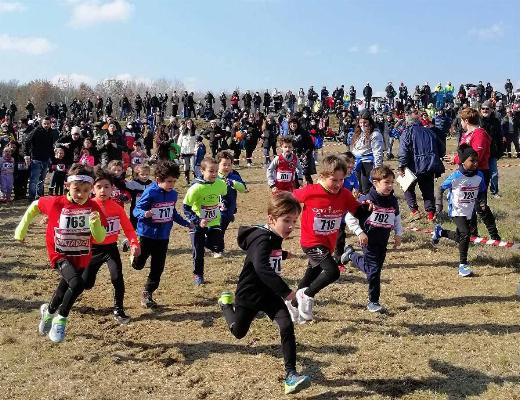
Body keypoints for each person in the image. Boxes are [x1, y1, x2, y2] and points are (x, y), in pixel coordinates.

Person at [217, 192, 310, 395]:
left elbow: (266, 256)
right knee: (238, 333)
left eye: (294, 221)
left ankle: (291, 375)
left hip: (268, 295)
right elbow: (261, 267)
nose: (291, 226)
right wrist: (287, 293)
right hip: (249, 295)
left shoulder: (272, 236)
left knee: (286, 325)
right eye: (286, 220)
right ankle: (225, 305)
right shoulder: (262, 238)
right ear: (271, 219)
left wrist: (283, 254)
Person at [13, 164, 106, 343]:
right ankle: (61, 319)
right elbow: (34, 206)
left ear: (91, 189)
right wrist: (21, 230)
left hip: (81, 256)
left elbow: (100, 237)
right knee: (77, 284)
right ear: (68, 186)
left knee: (64, 288)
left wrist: (95, 224)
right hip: (59, 254)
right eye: (76, 189)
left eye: (86, 190)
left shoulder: (94, 207)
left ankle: (48, 312)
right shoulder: (56, 202)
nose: (81, 194)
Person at [291, 155, 370, 322]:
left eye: (342, 180)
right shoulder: (311, 191)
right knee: (333, 272)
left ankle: (293, 306)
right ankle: (307, 295)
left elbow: (358, 212)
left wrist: (367, 208)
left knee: (310, 277)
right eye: (334, 180)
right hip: (311, 242)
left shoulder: (345, 195)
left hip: (328, 244)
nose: (338, 184)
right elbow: (290, 198)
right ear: (322, 177)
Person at [82, 167, 140, 324]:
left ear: (112, 188)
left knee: (117, 277)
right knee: (86, 283)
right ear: (92, 189)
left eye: (106, 186)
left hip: (110, 248)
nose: (103, 190)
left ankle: (118, 309)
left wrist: (134, 243)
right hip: (93, 249)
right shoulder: (87, 206)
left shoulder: (116, 208)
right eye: (99, 187)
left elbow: (128, 228)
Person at [341, 166, 403, 313]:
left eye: (392, 182)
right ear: (375, 183)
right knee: (374, 271)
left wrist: (398, 234)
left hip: (383, 241)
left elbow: (396, 218)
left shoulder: (393, 200)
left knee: (373, 269)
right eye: (386, 182)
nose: (390, 186)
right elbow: (349, 217)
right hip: (368, 241)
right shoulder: (367, 200)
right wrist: (360, 232)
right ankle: (373, 302)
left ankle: (351, 255)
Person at [131, 161, 191, 308]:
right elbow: (136, 210)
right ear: (158, 179)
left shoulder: (173, 194)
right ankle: (133, 255)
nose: (172, 184)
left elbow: (173, 213)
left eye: (174, 181)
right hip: (146, 234)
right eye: (169, 181)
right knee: (138, 265)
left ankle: (147, 293)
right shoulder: (150, 192)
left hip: (163, 236)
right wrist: (145, 213)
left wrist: (187, 223)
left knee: (158, 267)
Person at [433, 144, 486, 277]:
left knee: (462, 237)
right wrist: (439, 205)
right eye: (472, 161)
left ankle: (441, 232)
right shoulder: (456, 176)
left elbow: (482, 191)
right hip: (456, 210)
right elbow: (440, 188)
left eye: (477, 160)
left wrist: (482, 202)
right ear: (463, 161)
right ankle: (463, 265)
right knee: (466, 233)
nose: (475, 163)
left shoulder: (479, 175)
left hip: (469, 210)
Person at [183, 157, 228, 285]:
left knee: (218, 247)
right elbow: (186, 208)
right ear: (202, 171)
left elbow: (225, 195)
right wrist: (197, 220)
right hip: (197, 224)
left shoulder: (221, 184)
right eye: (210, 171)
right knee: (198, 252)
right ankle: (198, 275)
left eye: (216, 171)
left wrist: (225, 205)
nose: (214, 174)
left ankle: (204, 242)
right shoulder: (196, 188)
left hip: (214, 221)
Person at [398, 109, 445, 221]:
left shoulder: (407, 132)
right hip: (429, 166)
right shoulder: (430, 132)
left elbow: (403, 151)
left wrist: (401, 166)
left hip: (412, 166)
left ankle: (414, 211)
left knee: (407, 188)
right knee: (428, 190)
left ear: (408, 122)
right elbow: (442, 150)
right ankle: (430, 215)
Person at [350, 110, 384, 194]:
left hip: (368, 164)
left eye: (365, 122)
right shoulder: (359, 133)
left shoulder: (375, 134)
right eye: (360, 122)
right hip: (357, 163)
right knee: (358, 188)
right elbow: (354, 149)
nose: (362, 125)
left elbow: (378, 153)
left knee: (366, 188)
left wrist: (377, 168)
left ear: (369, 122)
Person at [217, 151, 247, 241]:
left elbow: (243, 189)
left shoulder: (234, 176)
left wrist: (233, 183)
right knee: (214, 231)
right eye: (224, 164)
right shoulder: (213, 176)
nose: (227, 167)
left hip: (228, 210)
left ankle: (215, 246)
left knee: (220, 232)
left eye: (229, 165)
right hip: (214, 210)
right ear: (218, 165)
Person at [24, 116, 54, 201]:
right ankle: (31, 197)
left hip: (46, 159)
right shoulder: (36, 131)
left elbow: (50, 147)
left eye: (48, 124)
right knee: (34, 179)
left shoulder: (50, 132)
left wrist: (52, 159)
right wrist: (27, 154)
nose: (46, 125)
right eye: (44, 123)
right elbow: (27, 141)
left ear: (50, 124)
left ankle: (39, 196)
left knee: (42, 180)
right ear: (41, 123)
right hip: (36, 159)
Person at [479, 101, 504, 198]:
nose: (485, 110)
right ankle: (479, 192)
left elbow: (499, 137)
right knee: (480, 173)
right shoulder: (477, 120)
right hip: (480, 152)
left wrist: (500, 151)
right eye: (483, 108)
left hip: (492, 152)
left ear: (491, 110)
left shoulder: (496, 121)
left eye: (487, 109)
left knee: (494, 174)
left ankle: (495, 192)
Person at [126, 164, 153, 229]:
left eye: (147, 174)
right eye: (142, 174)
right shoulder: (132, 184)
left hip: (148, 208)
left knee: (147, 224)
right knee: (134, 224)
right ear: (137, 175)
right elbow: (123, 187)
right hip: (136, 208)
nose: (145, 176)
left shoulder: (152, 184)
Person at [177, 118, 197, 184]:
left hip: (192, 152)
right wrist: (179, 151)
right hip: (184, 152)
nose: (189, 124)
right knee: (186, 165)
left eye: (190, 123)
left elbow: (197, 141)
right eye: (188, 123)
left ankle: (195, 179)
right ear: (186, 124)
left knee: (193, 165)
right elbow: (179, 142)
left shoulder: (195, 131)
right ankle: (187, 178)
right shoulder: (183, 132)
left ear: (192, 123)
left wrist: (195, 149)